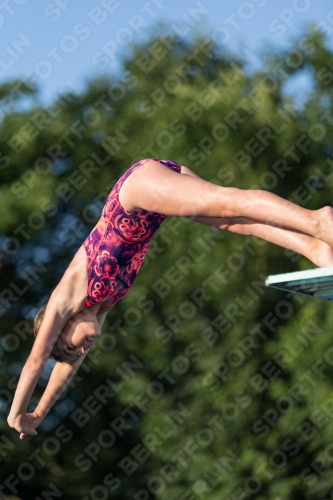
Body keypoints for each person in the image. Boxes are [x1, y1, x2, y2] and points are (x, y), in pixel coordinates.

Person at [7, 158, 333, 439]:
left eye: (70, 345)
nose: (81, 350)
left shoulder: (65, 298)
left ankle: (318, 221)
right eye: (78, 353)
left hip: (134, 193)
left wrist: (17, 412)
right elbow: (66, 370)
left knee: (228, 203)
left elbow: (36, 362)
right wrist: (38, 415)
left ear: (61, 327)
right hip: (151, 205)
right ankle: (317, 249)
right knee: (233, 222)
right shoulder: (102, 306)